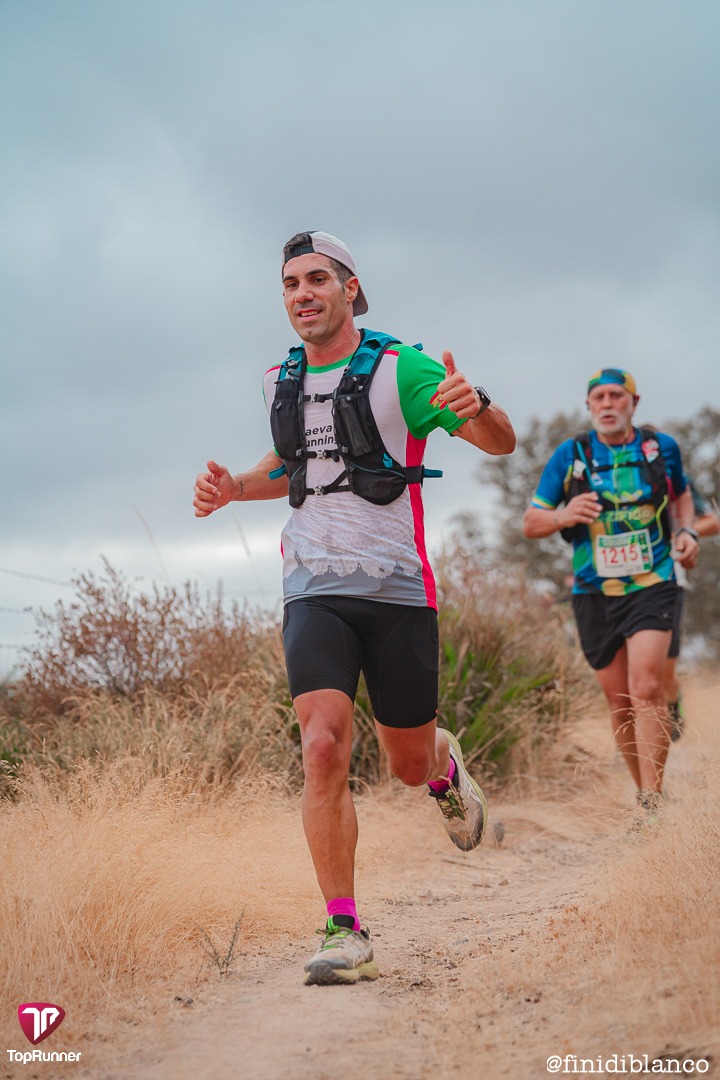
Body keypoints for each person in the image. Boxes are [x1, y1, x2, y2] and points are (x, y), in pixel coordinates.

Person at [193, 230, 516, 985]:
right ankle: (344, 929)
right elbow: (293, 463)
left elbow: (498, 442)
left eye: (316, 280)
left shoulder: (403, 368)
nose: (301, 294)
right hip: (313, 586)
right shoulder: (278, 379)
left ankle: (442, 769)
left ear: (350, 288)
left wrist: (478, 404)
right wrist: (236, 487)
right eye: (289, 284)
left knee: (406, 763)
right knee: (322, 746)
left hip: (398, 590)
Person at [522, 369, 699, 817]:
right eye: (598, 397)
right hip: (593, 590)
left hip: (653, 581)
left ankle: (653, 799)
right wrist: (564, 516)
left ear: (634, 403)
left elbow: (682, 495)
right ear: (589, 406)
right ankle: (644, 793)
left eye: (616, 395)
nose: (607, 404)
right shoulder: (572, 454)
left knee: (647, 687)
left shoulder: (660, 448)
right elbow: (531, 522)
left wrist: (686, 532)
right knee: (620, 703)